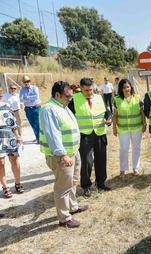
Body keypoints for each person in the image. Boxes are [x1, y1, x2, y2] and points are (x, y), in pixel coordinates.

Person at [39, 81, 88, 228]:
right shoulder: (49, 109)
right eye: (68, 96)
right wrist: (62, 155)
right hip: (62, 156)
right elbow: (52, 135)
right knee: (63, 186)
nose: (70, 98)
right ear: (57, 95)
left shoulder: (63, 106)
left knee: (72, 182)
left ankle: (73, 207)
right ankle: (64, 218)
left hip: (72, 152)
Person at [69, 77, 111, 197]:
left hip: (100, 133)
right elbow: (70, 118)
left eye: (91, 90)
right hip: (84, 135)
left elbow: (106, 112)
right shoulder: (74, 100)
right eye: (86, 90)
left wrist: (108, 118)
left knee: (101, 159)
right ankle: (86, 185)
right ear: (81, 88)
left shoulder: (98, 97)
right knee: (87, 162)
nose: (89, 93)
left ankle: (101, 183)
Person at [113, 79, 146, 176]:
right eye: (124, 87)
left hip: (137, 128)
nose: (127, 89)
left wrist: (144, 124)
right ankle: (123, 169)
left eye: (128, 87)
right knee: (124, 148)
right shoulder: (117, 99)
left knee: (136, 147)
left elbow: (142, 112)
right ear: (121, 89)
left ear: (131, 87)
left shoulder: (137, 98)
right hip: (123, 129)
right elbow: (115, 115)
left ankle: (135, 168)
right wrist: (114, 127)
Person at [0, 87, 23, 199]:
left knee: (15, 161)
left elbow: (13, 123)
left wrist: (18, 135)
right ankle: (5, 188)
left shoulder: (7, 105)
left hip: (10, 136)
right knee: (1, 163)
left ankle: (17, 183)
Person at [19, 76, 41, 143]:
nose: (26, 83)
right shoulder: (22, 89)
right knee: (32, 124)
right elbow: (21, 99)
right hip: (28, 109)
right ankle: (38, 137)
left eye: (28, 81)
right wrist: (27, 98)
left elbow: (36, 96)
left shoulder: (35, 88)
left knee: (37, 123)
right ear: (23, 83)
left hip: (36, 108)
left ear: (30, 81)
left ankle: (39, 139)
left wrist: (27, 97)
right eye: (25, 82)